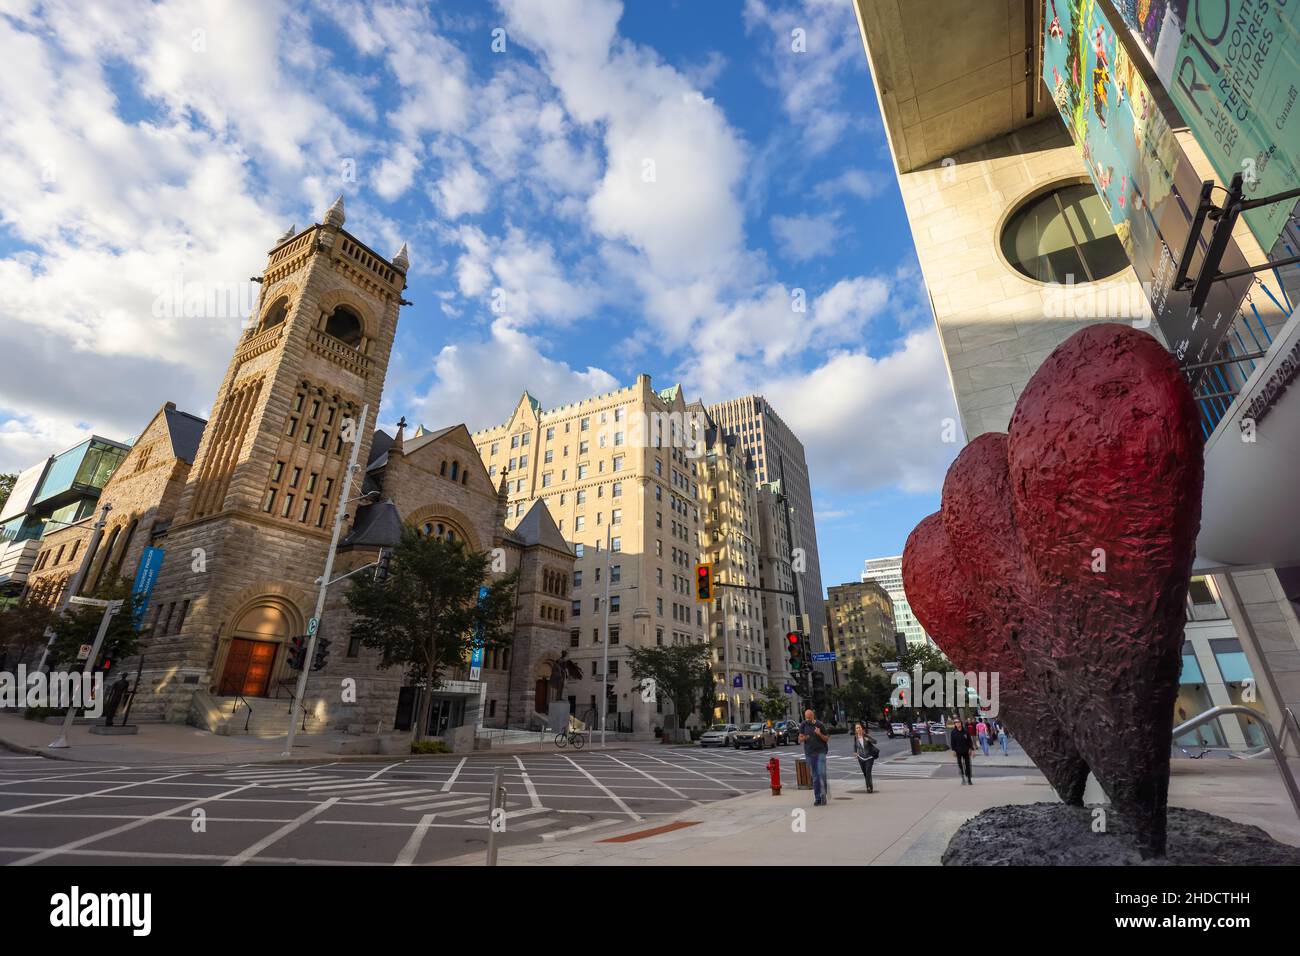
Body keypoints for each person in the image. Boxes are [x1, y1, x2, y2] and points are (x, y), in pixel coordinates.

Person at [798, 708, 831, 805]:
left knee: (822, 774)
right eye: (806, 717)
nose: (808, 719)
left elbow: (826, 739)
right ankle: (817, 798)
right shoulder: (803, 725)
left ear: (813, 716)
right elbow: (800, 739)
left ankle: (823, 795)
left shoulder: (820, 725)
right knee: (815, 777)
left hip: (821, 752)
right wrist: (804, 738)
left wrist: (819, 733)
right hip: (809, 754)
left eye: (809, 717)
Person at [852, 722, 879, 793]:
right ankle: (870, 785)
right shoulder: (855, 737)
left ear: (862, 728)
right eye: (856, 728)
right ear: (855, 730)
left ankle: (868, 787)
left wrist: (869, 740)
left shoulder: (866, 735)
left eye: (859, 727)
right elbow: (855, 745)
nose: (858, 729)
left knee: (868, 772)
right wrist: (855, 752)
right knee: (865, 773)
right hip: (861, 758)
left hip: (869, 757)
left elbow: (875, 741)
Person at [950, 719, 973, 785]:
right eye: (956, 723)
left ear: (961, 723)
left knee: (968, 765)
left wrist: (971, 749)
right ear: (955, 724)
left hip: (966, 750)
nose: (957, 724)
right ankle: (963, 778)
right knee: (960, 765)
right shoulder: (953, 732)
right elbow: (952, 742)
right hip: (958, 751)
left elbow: (969, 741)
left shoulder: (965, 731)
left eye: (958, 722)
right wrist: (953, 750)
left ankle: (969, 779)